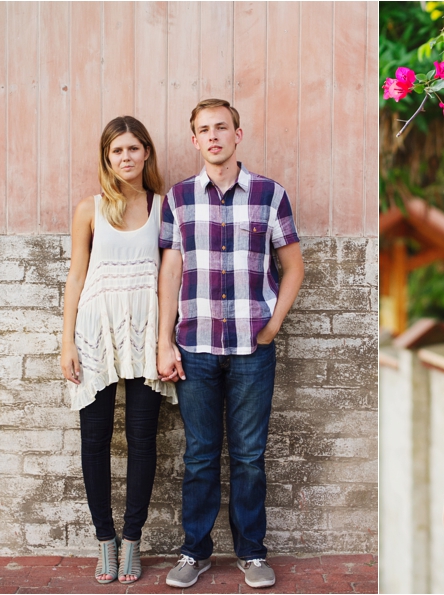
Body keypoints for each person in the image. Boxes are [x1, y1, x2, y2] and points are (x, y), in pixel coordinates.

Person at [157, 98, 304, 590]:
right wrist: (164, 340)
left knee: (248, 456)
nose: (214, 136)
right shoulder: (178, 198)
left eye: (223, 127)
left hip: (252, 349)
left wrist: (273, 325)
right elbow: (171, 269)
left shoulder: (269, 194)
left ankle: (252, 554)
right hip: (195, 346)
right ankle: (194, 552)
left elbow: (294, 266)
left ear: (238, 134)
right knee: (199, 455)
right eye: (204, 129)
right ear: (194, 139)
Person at [60, 116, 177, 585]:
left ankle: (133, 542)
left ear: (146, 152)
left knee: (143, 439)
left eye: (132, 149)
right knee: (95, 440)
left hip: (146, 333)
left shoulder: (164, 207)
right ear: (106, 158)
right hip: (95, 332)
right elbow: (76, 275)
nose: (125, 158)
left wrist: (167, 338)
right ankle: (104, 542)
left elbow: (172, 277)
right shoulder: (90, 209)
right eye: (116, 152)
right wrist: (65, 340)